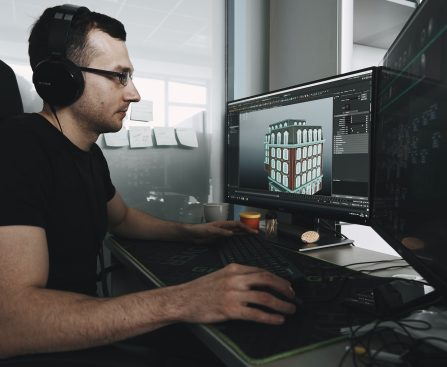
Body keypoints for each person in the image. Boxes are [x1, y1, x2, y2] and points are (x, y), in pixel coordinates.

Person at [0, 5, 296, 365]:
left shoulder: (88, 155)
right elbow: (11, 322)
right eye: (120, 76)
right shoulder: (18, 148)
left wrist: (192, 233)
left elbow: (123, 218)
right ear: (62, 78)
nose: (134, 94)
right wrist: (183, 300)